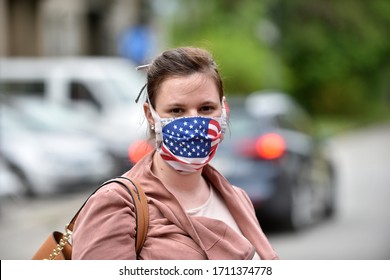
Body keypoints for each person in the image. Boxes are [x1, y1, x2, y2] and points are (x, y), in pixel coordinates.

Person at [72, 46, 279, 260]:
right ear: (150, 115)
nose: (194, 122)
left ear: (223, 109)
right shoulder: (116, 205)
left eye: (206, 108)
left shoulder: (237, 199)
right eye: (177, 111)